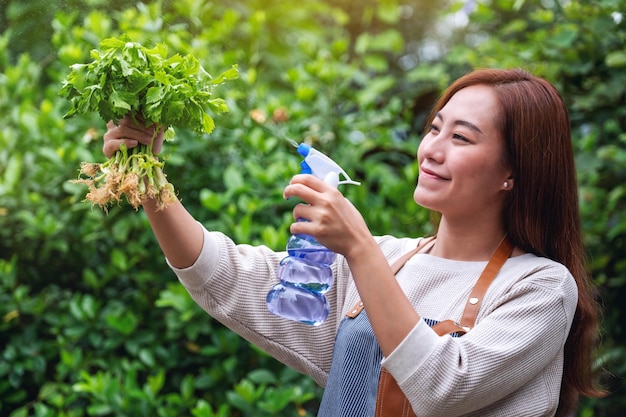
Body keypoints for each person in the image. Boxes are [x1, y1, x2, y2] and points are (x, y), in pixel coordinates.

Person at [103, 68, 605, 416]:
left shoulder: (540, 287)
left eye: (462, 138)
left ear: (513, 174)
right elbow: (229, 276)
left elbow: (441, 387)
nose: (431, 150)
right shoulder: (391, 260)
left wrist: (359, 247)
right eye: (435, 128)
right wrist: (148, 179)